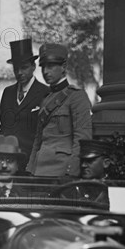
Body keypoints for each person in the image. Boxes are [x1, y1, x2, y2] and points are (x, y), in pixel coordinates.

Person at [26, 43, 92, 177]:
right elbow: (38, 140)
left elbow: (82, 139)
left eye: (50, 66)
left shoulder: (77, 97)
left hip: (61, 170)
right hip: (39, 169)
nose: (45, 71)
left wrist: (71, 173)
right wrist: (30, 169)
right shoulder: (46, 99)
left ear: (64, 67)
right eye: (43, 67)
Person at [0, 38, 49, 164]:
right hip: (8, 160)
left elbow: (46, 134)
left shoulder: (45, 92)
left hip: (31, 161)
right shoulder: (8, 92)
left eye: (24, 67)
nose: (19, 73)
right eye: (16, 69)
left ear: (33, 66)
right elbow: (3, 128)